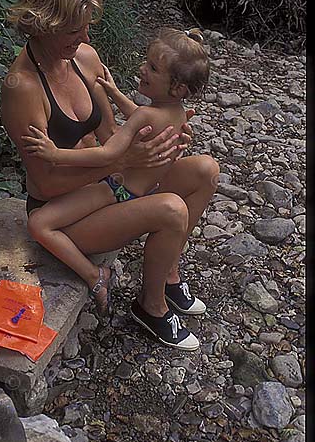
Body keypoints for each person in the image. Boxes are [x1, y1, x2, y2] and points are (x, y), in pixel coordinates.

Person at [1, 0, 220, 350]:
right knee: (171, 209)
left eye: (87, 27)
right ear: (42, 25)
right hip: (68, 208)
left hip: (111, 184)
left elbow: (110, 135)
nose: (86, 38)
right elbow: (48, 180)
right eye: (74, 30)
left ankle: (168, 275)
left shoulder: (83, 57)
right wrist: (123, 163)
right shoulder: (23, 87)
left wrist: (162, 141)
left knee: (205, 169)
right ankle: (150, 309)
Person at [21, 27, 208, 325]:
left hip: (113, 190)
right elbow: (139, 114)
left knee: (40, 223)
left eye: (152, 68)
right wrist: (114, 92)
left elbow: (108, 155)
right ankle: (165, 277)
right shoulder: (177, 112)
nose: (142, 69)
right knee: (208, 166)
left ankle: (96, 277)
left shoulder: (148, 116)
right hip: (133, 191)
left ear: (177, 88)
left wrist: (54, 153)